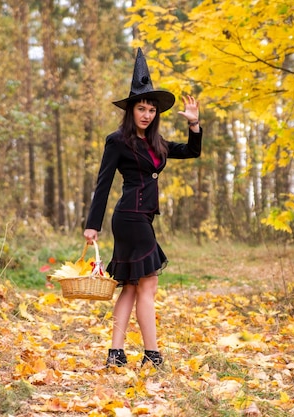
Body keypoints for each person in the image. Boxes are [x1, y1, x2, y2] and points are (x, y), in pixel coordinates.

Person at [83, 48, 203, 368]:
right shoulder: (117, 141)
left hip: (140, 219)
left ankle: (115, 353)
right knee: (147, 285)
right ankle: (152, 355)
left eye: (151, 109)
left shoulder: (158, 144)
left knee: (132, 288)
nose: (147, 114)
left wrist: (194, 124)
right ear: (131, 110)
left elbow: (193, 151)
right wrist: (92, 224)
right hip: (129, 218)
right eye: (141, 108)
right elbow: (103, 183)